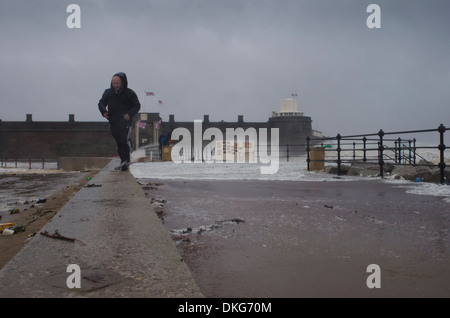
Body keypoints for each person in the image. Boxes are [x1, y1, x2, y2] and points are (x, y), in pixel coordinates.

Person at [98, 72, 141, 171]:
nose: (115, 85)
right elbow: (101, 103)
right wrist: (103, 111)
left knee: (124, 140)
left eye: (117, 83)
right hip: (113, 121)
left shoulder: (130, 93)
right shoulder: (108, 93)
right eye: (113, 83)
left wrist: (129, 114)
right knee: (118, 142)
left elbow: (137, 105)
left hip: (126, 122)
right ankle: (123, 161)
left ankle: (127, 160)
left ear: (122, 82)